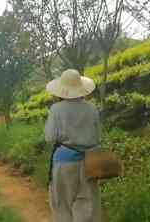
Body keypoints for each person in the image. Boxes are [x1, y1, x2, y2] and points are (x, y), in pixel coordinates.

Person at [45, 69, 102, 222]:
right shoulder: (92, 108)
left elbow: (50, 137)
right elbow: (98, 137)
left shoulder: (56, 109)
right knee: (87, 204)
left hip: (64, 162)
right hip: (89, 162)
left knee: (62, 204)